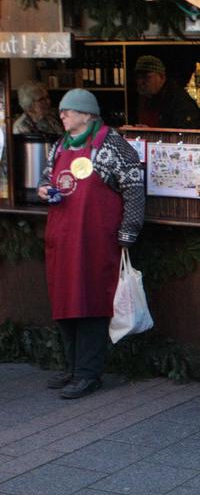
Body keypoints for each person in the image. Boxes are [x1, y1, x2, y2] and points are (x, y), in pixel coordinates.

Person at [36, 89, 145, 399]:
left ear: (86, 114)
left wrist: (129, 231)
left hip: (95, 240)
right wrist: (44, 189)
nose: (62, 115)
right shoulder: (60, 146)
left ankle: (88, 373)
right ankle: (72, 367)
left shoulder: (113, 146)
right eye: (61, 110)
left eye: (68, 110)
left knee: (91, 303)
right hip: (62, 239)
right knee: (64, 303)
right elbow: (47, 178)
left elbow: (134, 188)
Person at [132, 55, 200, 129]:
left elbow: (186, 132)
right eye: (138, 77)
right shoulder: (145, 97)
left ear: (162, 77)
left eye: (147, 77)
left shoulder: (179, 100)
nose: (140, 82)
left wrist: (152, 132)